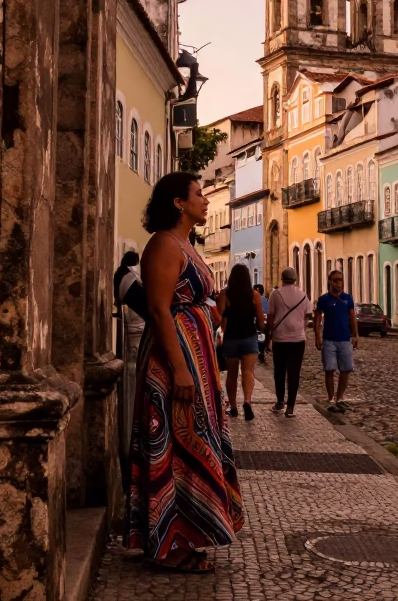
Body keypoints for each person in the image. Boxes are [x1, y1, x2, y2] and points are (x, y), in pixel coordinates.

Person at [126, 172, 244, 573]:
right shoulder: (162, 243)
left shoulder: (186, 245)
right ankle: (167, 541)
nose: (207, 201)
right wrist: (179, 368)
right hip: (173, 360)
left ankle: (189, 533)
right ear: (178, 202)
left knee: (195, 439)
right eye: (199, 194)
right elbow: (159, 308)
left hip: (198, 361)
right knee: (174, 443)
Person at [216, 264, 266, 420]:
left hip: (231, 338)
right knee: (248, 371)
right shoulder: (254, 295)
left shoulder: (225, 295)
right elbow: (260, 321)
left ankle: (233, 406)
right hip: (249, 337)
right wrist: (263, 327)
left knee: (231, 373)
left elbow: (218, 318)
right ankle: (247, 401)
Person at [265, 268, 310, 417]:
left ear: (282, 278)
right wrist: (301, 328)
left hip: (280, 338)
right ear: (295, 279)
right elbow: (307, 315)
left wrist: (268, 336)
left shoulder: (275, 294)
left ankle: (279, 402)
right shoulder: (303, 295)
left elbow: (270, 317)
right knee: (294, 372)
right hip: (298, 338)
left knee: (279, 371)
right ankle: (291, 406)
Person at [314, 269, 358, 413]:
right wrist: (317, 336)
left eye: (341, 280)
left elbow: (352, 317)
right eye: (336, 280)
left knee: (346, 369)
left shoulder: (348, 299)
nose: (339, 283)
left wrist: (356, 334)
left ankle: (340, 397)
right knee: (329, 369)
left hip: (345, 339)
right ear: (330, 281)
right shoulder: (324, 300)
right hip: (329, 340)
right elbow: (318, 318)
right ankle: (331, 398)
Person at [255, 284, 268, 366]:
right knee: (262, 336)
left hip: (260, 320)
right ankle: (261, 351)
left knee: (261, 336)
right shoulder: (264, 299)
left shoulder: (262, 299)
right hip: (261, 320)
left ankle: (261, 351)